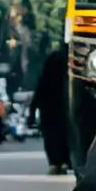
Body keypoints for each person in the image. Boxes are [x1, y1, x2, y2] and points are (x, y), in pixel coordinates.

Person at [28, 45, 71, 175]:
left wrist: (31, 116)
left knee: (51, 139)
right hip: (64, 113)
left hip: (48, 115)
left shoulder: (44, 80)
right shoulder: (67, 82)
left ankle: (54, 163)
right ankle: (64, 162)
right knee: (64, 137)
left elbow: (36, 97)